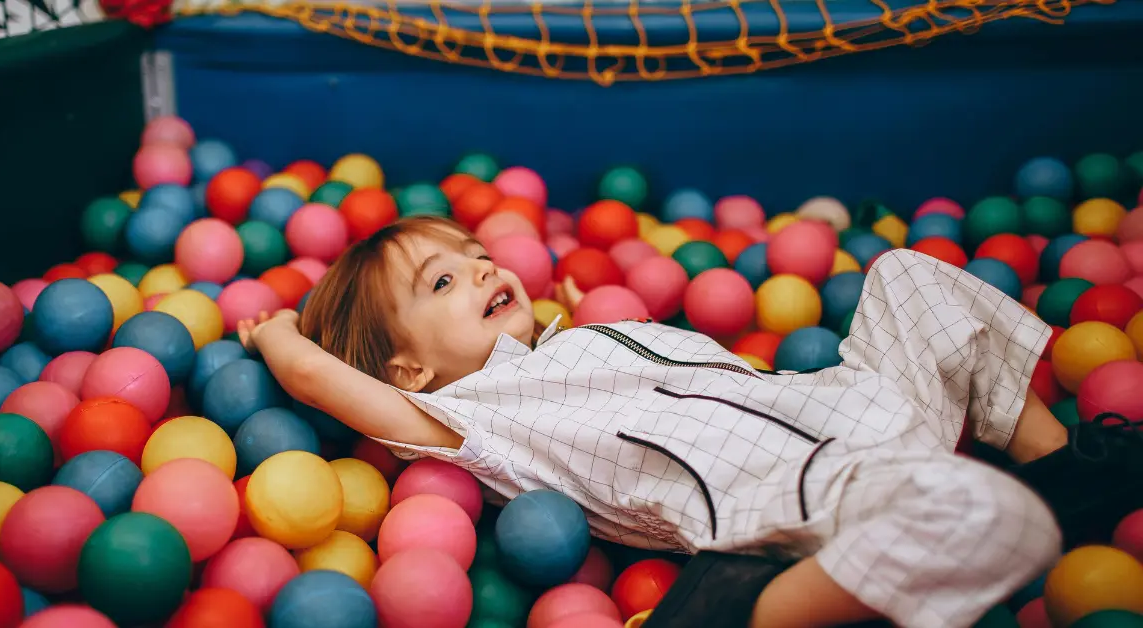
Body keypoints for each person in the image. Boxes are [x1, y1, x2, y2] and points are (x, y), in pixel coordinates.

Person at [239, 216, 1140, 628]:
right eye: (441, 283)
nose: (478, 271)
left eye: (475, 258)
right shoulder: (469, 415)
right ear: (409, 372)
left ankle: (1057, 465)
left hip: (848, 402)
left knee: (908, 274)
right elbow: (324, 381)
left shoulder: (574, 334)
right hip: (805, 495)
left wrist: (579, 312)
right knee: (988, 518)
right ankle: (748, 609)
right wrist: (279, 333)